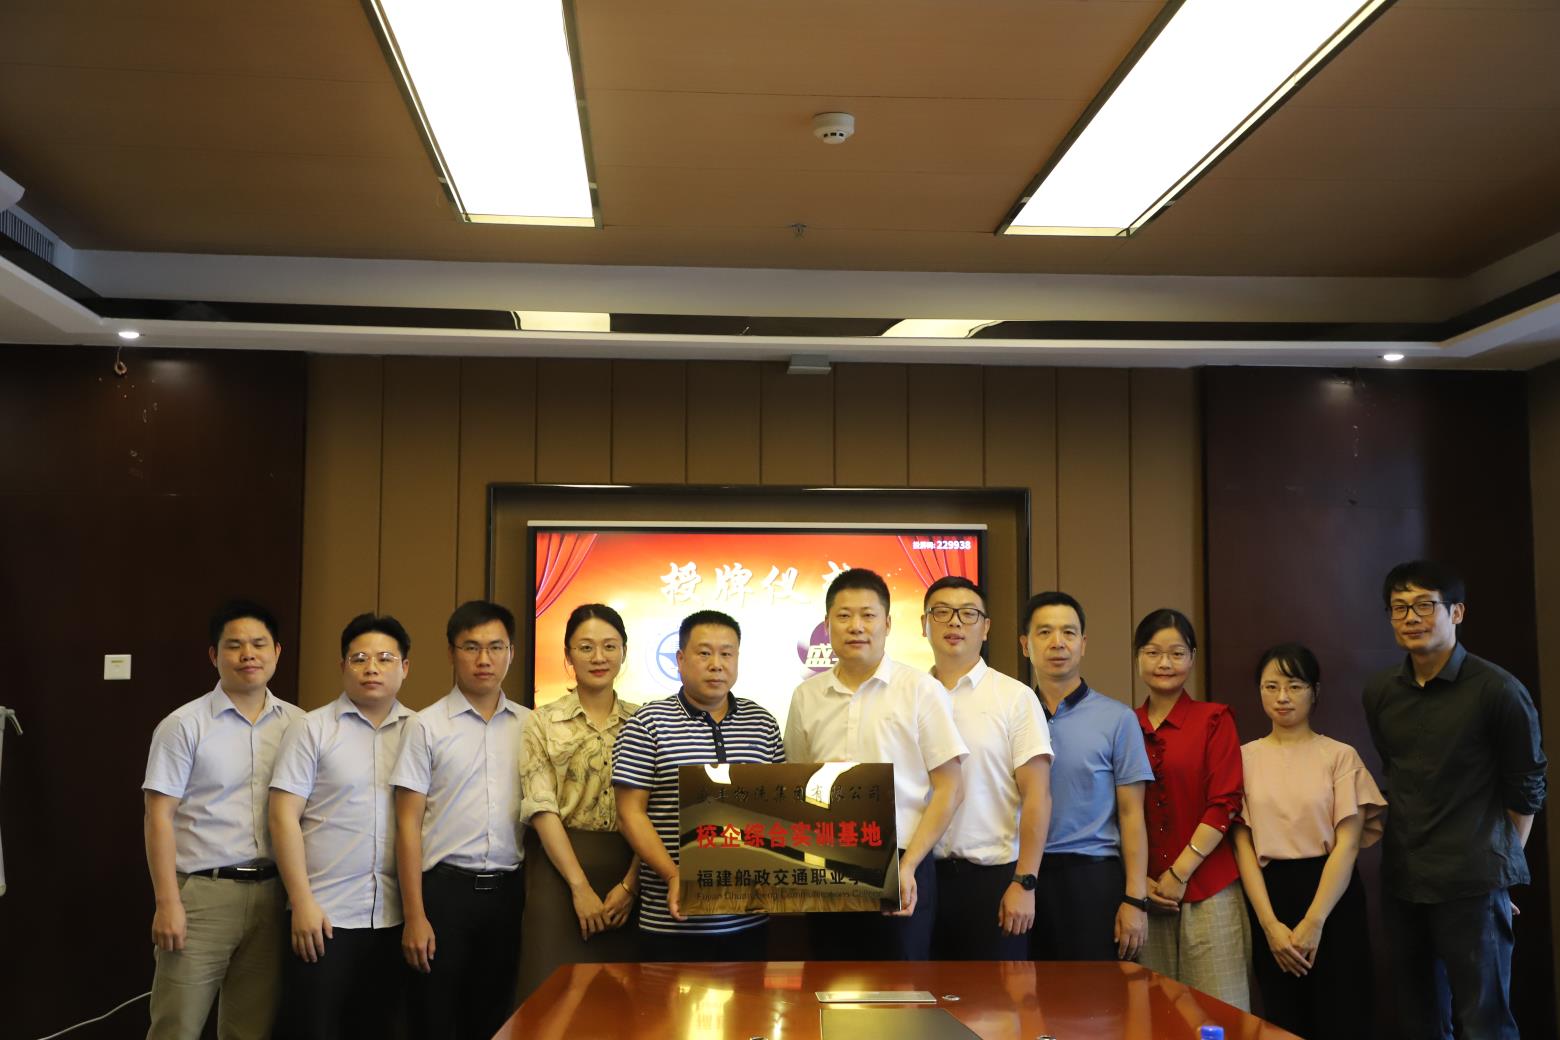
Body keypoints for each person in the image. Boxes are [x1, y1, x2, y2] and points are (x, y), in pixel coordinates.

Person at [1364, 560, 1547, 1040]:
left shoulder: (1498, 690)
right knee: (1419, 1022)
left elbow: (1527, 787)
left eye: (1425, 605)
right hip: (1404, 880)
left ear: (1457, 612)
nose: (1411, 617)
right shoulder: (1381, 692)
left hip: (1472, 882)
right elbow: (1394, 772)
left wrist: (1499, 872)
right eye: (1399, 607)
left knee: (1485, 1024)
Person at [142, 600, 306, 1040]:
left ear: (277, 652)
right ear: (214, 655)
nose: (248, 654)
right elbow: (158, 816)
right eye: (234, 645)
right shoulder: (183, 725)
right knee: (176, 1026)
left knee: (250, 1029)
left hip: (273, 895)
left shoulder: (299, 725)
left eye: (259, 644)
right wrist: (167, 902)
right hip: (203, 895)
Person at [784, 568, 967, 960]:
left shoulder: (920, 689)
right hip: (827, 860)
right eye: (844, 616)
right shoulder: (806, 696)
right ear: (827, 625)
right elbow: (795, 782)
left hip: (901, 861)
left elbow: (951, 787)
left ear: (887, 623)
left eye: (868, 615)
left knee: (900, 985)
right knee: (829, 982)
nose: (856, 626)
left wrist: (910, 865)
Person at [269, 613, 416, 1040]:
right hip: (324, 917)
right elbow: (282, 816)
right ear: (342, 666)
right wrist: (302, 902)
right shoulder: (311, 729)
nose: (372, 668)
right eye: (359, 658)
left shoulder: (420, 731)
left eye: (385, 658)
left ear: (405, 667)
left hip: (395, 917)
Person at [390, 600, 530, 1040]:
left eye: (495, 647)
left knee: (494, 1018)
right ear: (451, 653)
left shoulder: (530, 725)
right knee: (434, 1018)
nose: (484, 659)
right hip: (444, 894)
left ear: (511, 652)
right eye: (471, 647)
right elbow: (407, 824)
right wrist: (415, 915)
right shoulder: (425, 726)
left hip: (509, 893)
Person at [1230, 642, 1384, 1040]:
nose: (1282, 697)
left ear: (1315, 691)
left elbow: (1348, 845)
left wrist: (1315, 921)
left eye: (1294, 686)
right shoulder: (1242, 758)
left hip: (1332, 898)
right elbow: (1242, 846)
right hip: (1270, 897)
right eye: (1271, 686)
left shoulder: (1340, 756)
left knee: (1343, 1017)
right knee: (1283, 1019)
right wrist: (1269, 925)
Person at [612, 610, 785, 962]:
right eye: (704, 653)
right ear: (680, 659)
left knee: (748, 999)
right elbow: (629, 814)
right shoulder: (648, 723)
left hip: (749, 921)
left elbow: (780, 809)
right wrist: (673, 876)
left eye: (727, 653)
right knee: (666, 1000)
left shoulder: (763, 724)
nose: (716, 664)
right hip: (670, 921)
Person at [921, 576, 1052, 960]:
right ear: (924, 623)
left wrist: (1025, 882)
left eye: (968, 613)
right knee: (919, 992)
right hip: (919, 877)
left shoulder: (1014, 697)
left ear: (986, 627)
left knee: (995, 996)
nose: (954, 622)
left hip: (992, 880)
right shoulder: (908, 696)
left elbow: (1038, 796)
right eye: (941, 612)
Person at [1021, 591, 1154, 963]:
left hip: (1091, 877)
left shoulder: (1117, 719)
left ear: (1083, 643)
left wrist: (1135, 899)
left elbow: (1132, 815)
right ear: (1025, 645)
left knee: (1094, 995)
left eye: (1068, 632)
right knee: (1022, 992)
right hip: (1021, 875)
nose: (1057, 642)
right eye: (1044, 632)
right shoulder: (1012, 715)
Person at [517, 604, 641, 999]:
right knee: (551, 999)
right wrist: (579, 887)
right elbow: (541, 807)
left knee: (624, 1003)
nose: (598, 657)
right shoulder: (542, 721)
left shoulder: (644, 722)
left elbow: (654, 812)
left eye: (609, 646)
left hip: (630, 874)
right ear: (568, 655)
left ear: (624, 652)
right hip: (559, 871)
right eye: (585, 647)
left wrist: (631, 886)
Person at [1132, 607, 1251, 1010]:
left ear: (1193, 657)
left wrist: (1179, 873)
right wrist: (1141, 881)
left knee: (1219, 1013)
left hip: (1208, 890)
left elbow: (1225, 803)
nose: (1164, 663)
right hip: (1146, 894)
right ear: (1138, 657)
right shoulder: (1124, 725)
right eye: (1153, 652)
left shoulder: (1214, 719)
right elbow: (1116, 813)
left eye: (1176, 653)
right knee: (1154, 1016)